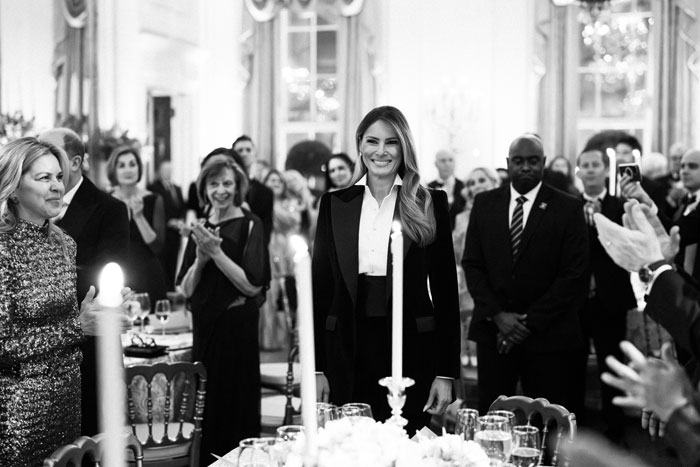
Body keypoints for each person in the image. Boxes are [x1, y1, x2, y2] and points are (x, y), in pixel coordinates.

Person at [312, 106, 460, 434]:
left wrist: (446, 372)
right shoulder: (334, 204)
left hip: (412, 350)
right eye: (373, 141)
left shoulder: (429, 202)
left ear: (403, 147)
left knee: (405, 444)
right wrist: (317, 368)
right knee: (350, 445)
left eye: (391, 142)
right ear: (360, 145)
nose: (381, 151)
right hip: (346, 348)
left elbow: (446, 291)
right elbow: (320, 290)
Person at [0, 137, 129, 465]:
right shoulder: (3, 249)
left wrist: (94, 314)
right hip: (17, 408)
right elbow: (4, 345)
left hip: (68, 400)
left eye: (59, 176)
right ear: (14, 189)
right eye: (44, 178)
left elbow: (66, 325)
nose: (57, 186)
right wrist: (77, 326)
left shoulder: (64, 244)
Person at [463, 133, 589, 414]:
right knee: (493, 417)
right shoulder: (485, 203)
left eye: (533, 161)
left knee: (547, 419)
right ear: (508, 163)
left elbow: (574, 274)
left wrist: (526, 323)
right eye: (518, 161)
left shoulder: (568, 207)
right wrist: (499, 316)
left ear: (543, 163)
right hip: (495, 332)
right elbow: (473, 264)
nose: (526, 167)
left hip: (549, 335)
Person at [38, 128, 130, 436]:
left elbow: (107, 274)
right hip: (42, 347)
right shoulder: (30, 209)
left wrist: (41, 279)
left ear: (75, 163)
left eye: (51, 152)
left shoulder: (109, 208)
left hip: (91, 342)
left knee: (91, 434)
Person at [177, 157, 268, 464]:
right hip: (205, 328)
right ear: (204, 188)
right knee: (208, 408)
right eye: (214, 184)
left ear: (238, 186)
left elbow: (252, 286)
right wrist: (201, 260)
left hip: (236, 329)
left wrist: (216, 253)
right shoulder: (201, 226)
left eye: (227, 183)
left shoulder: (251, 224)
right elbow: (185, 289)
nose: (221, 190)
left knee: (235, 406)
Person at [572, 148, 637, 443]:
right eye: (584, 165)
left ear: (605, 170)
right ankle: (575, 429)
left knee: (611, 366)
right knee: (573, 367)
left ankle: (615, 431)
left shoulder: (620, 206)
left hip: (611, 299)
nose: (590, 169)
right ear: (579, 171)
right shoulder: (569, 207)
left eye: (595, 165)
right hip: (576, 301)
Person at [451, 167, 500, 366]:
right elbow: (456, 251)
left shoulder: (503, 211)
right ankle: (468, 354)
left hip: (497, 279)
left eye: (481, 180)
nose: (476, 186)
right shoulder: (461, 217)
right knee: (468, 318)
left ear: (493, 182)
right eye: (472, 183)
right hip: (469, 276)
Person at [107, 146, 167, 304]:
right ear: (114, 171)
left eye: (132, 164)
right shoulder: (105, 201)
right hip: (115, 276)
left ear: (139, 168)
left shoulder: (154, 199)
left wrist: (139, 216)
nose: (128, 170)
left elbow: (157, 246)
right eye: (121, 165)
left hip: (147, 275)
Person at [148, 160, 186, 290]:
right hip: (162, 233)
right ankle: (163, 290)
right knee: (162, 264)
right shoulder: (153, 188)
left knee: (173, 263)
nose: (168, 172)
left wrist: (180, 220)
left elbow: (181, 207)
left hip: (175, 234)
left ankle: (171, 289)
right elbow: (154, 210)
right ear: (160, 171)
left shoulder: (177, 188)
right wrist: (168, 221)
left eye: (170, 170)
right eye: (165, 170)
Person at [232, 135, 274, 244]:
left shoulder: (266, 192)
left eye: (248, 150)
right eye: (240, 150)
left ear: (255, 154)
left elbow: (266, 227)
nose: (244, 154)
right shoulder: (228, 187)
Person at [427, 149, 466, 229]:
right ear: (436, 164)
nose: (447, 164)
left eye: (450, 160)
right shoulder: (429, 187)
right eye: (443, 160)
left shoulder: (463, 186)